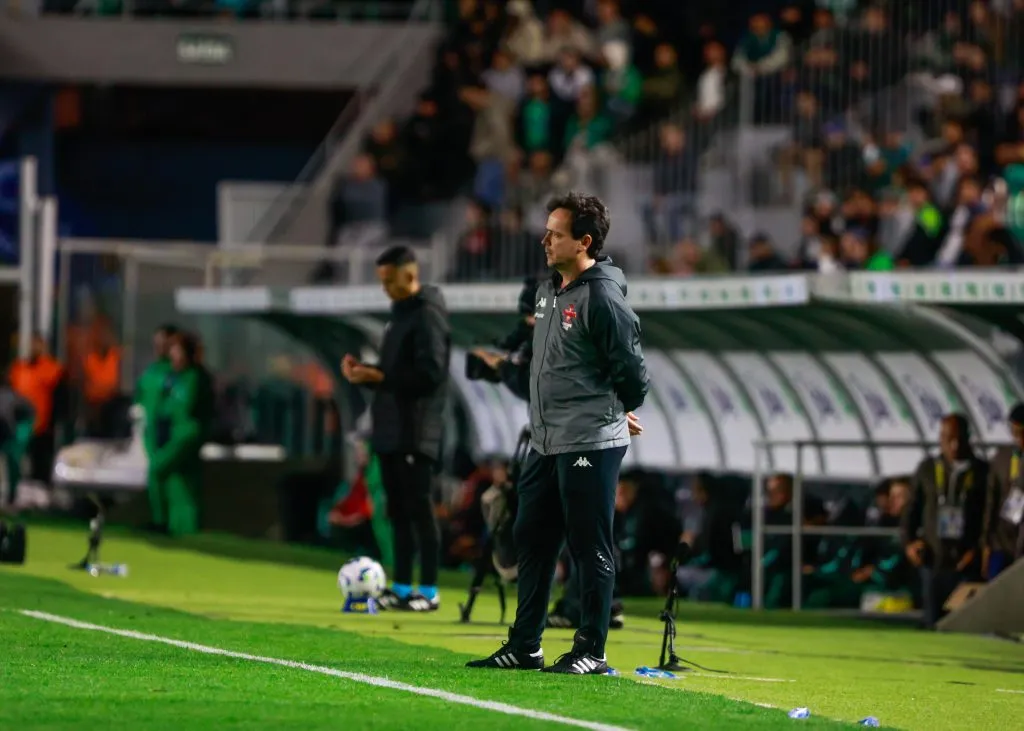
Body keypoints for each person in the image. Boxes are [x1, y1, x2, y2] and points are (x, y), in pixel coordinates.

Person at [467, 191, 649, 674]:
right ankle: (525, 645)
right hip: (547, 439)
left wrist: (618, 409)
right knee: (531, 535)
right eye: (546, 232)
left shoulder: (603, 298)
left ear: (584, 242)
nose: (544, 241)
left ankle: (592, 650)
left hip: (589, 440)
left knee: (589, 544)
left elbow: (633, 371)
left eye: (555, 234)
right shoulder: (549, 291)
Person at [341, 245, 450, 612]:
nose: (385, 287)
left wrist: (380, 377)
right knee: (397, 512)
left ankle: (429, 591)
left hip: (416, 431)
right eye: (382, 281)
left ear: (410, 273)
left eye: (390, 280)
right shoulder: (399, 316)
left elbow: (430, 374)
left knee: (419, 510)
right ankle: (402, 587)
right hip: (391, 430)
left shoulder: (428, 316)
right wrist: (367, 374)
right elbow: (395, 376)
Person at [902, 413, 989, 629]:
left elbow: (989, 515)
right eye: (949, 439)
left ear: (969, 438)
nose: (955, 446)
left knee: (963, 623)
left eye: (960, 439)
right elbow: (911, 510)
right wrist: (909, 543)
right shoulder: (927, 469)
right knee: (932, 621)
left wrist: (978, 548)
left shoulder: (982, 472)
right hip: (933, 558)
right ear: (940, 438)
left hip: (966, 561)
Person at [148, 332, 212, 537]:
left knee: (157, 470)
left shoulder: (195, 377)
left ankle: (160, 521)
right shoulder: (175, 377)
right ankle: (182, 528)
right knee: (181, 483)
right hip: (176, 434)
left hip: (186, 435)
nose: (172, 355)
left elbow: (186, 408)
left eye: (177, 351)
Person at [136, 324, 177, 532]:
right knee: (154, 475)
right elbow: (140, 396)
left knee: (165, 475)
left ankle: (167, 520)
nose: (159, 347)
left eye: (163, 343)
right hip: (150, 430)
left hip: (168, 430)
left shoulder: (175, 372)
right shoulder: (151, 371)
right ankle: (158, 518)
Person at [984, 403, 1024, 577]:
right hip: (1002, 543)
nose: (1020, 439)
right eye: (1016, 433)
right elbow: (990, 500)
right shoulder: (1003, 458)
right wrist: (986, 542)